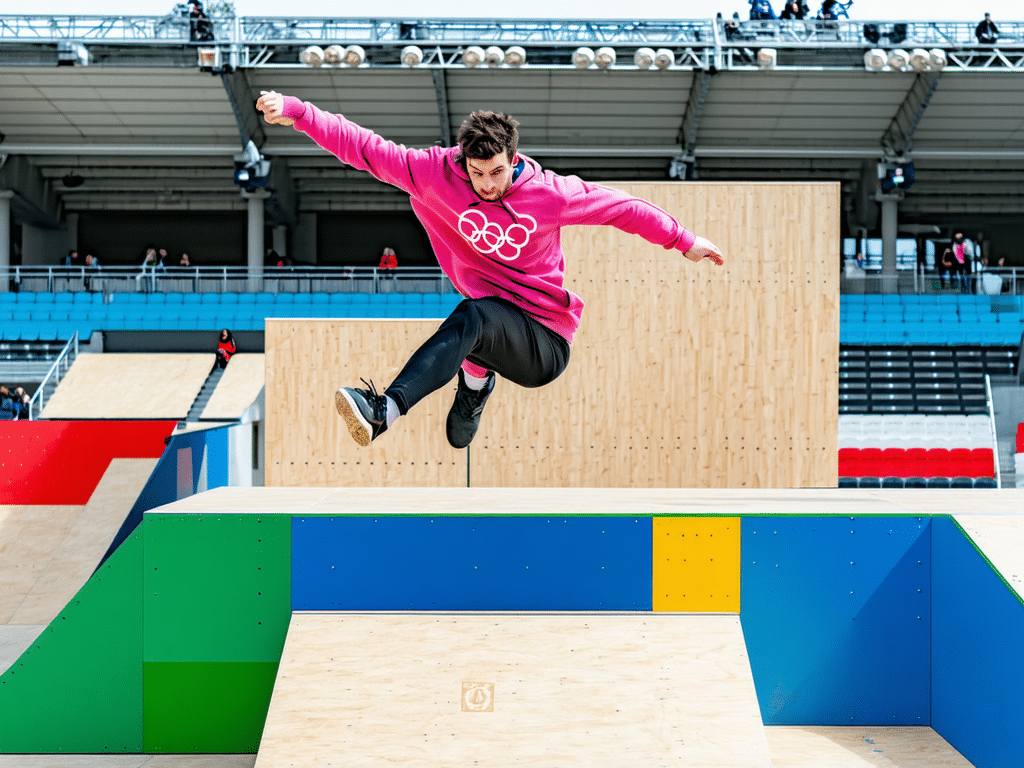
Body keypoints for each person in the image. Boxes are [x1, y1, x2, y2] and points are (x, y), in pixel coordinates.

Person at [256, 91, 724, 450]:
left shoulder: (551, 194)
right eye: (477, 174)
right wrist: (299, 111)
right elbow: (363, 147)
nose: (486, 185)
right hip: (492, 319)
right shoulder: (430, 172)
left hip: (544, 341)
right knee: (477, 318)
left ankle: (386, 411)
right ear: (463, 160)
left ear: (513, 160)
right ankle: (475, 382)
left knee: (475, 315)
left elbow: (621, 208)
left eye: (497, 173)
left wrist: (684, 241)